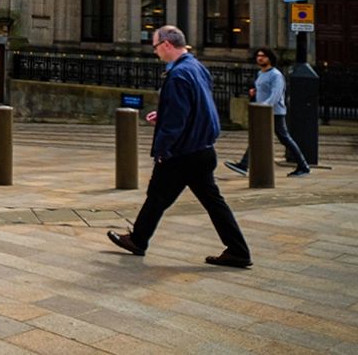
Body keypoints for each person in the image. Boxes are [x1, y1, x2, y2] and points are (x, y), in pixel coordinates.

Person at [107, 25, 252, 268]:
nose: (155, 53)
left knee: (159, 195)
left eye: (155, 47)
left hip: (183, 152)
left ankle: (138, 240)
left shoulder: (178, 75)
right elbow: (192, 106)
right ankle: (238, 250)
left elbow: (177, 120)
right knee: (195, 200)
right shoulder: (197, 67)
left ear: (166, 44)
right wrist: (163, 114)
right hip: (202, 148)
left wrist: (162, 150)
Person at [224, 47, 309, 177]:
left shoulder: (276, 75)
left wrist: (265, 106)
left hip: (274, 112)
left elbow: (276, 94)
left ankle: (303, 166)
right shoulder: (260, 74)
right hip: (263, 111)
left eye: (263, 56)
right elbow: (264, 91)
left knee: (283, 138)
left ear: (270, 58)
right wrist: (254, 93)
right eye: (258, 56)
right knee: (258, 137)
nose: (260, 58)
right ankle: (244, 164)